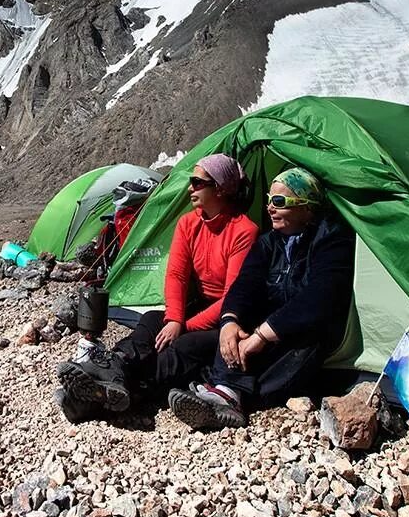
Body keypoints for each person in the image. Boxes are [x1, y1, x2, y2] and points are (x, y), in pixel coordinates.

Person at [53, 154, 259, 422]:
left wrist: (184, 325)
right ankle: (115, 366)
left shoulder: (243, 230)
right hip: (198, 305)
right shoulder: (189, 223)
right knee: (152, 319)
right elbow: (176, 274)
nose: (190, 188)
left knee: (183, 345)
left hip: (229, 316)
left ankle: (104, 394)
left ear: (219, 188)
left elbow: (233, 297)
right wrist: (174, 317)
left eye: (197, 183)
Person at [168, 167, 355, 430]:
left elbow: (319, 298)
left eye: (279, 202)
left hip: (306, 332)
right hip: (268, 324)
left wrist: (262, 335)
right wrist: (230, 321)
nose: (270, 208)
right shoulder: (269, 242)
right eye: (269, 200)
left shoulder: (332, 239)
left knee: (304, 340)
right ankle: (224, 393)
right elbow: (245, 284)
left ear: (307, 207)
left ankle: (231, 394)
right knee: (234, 331)